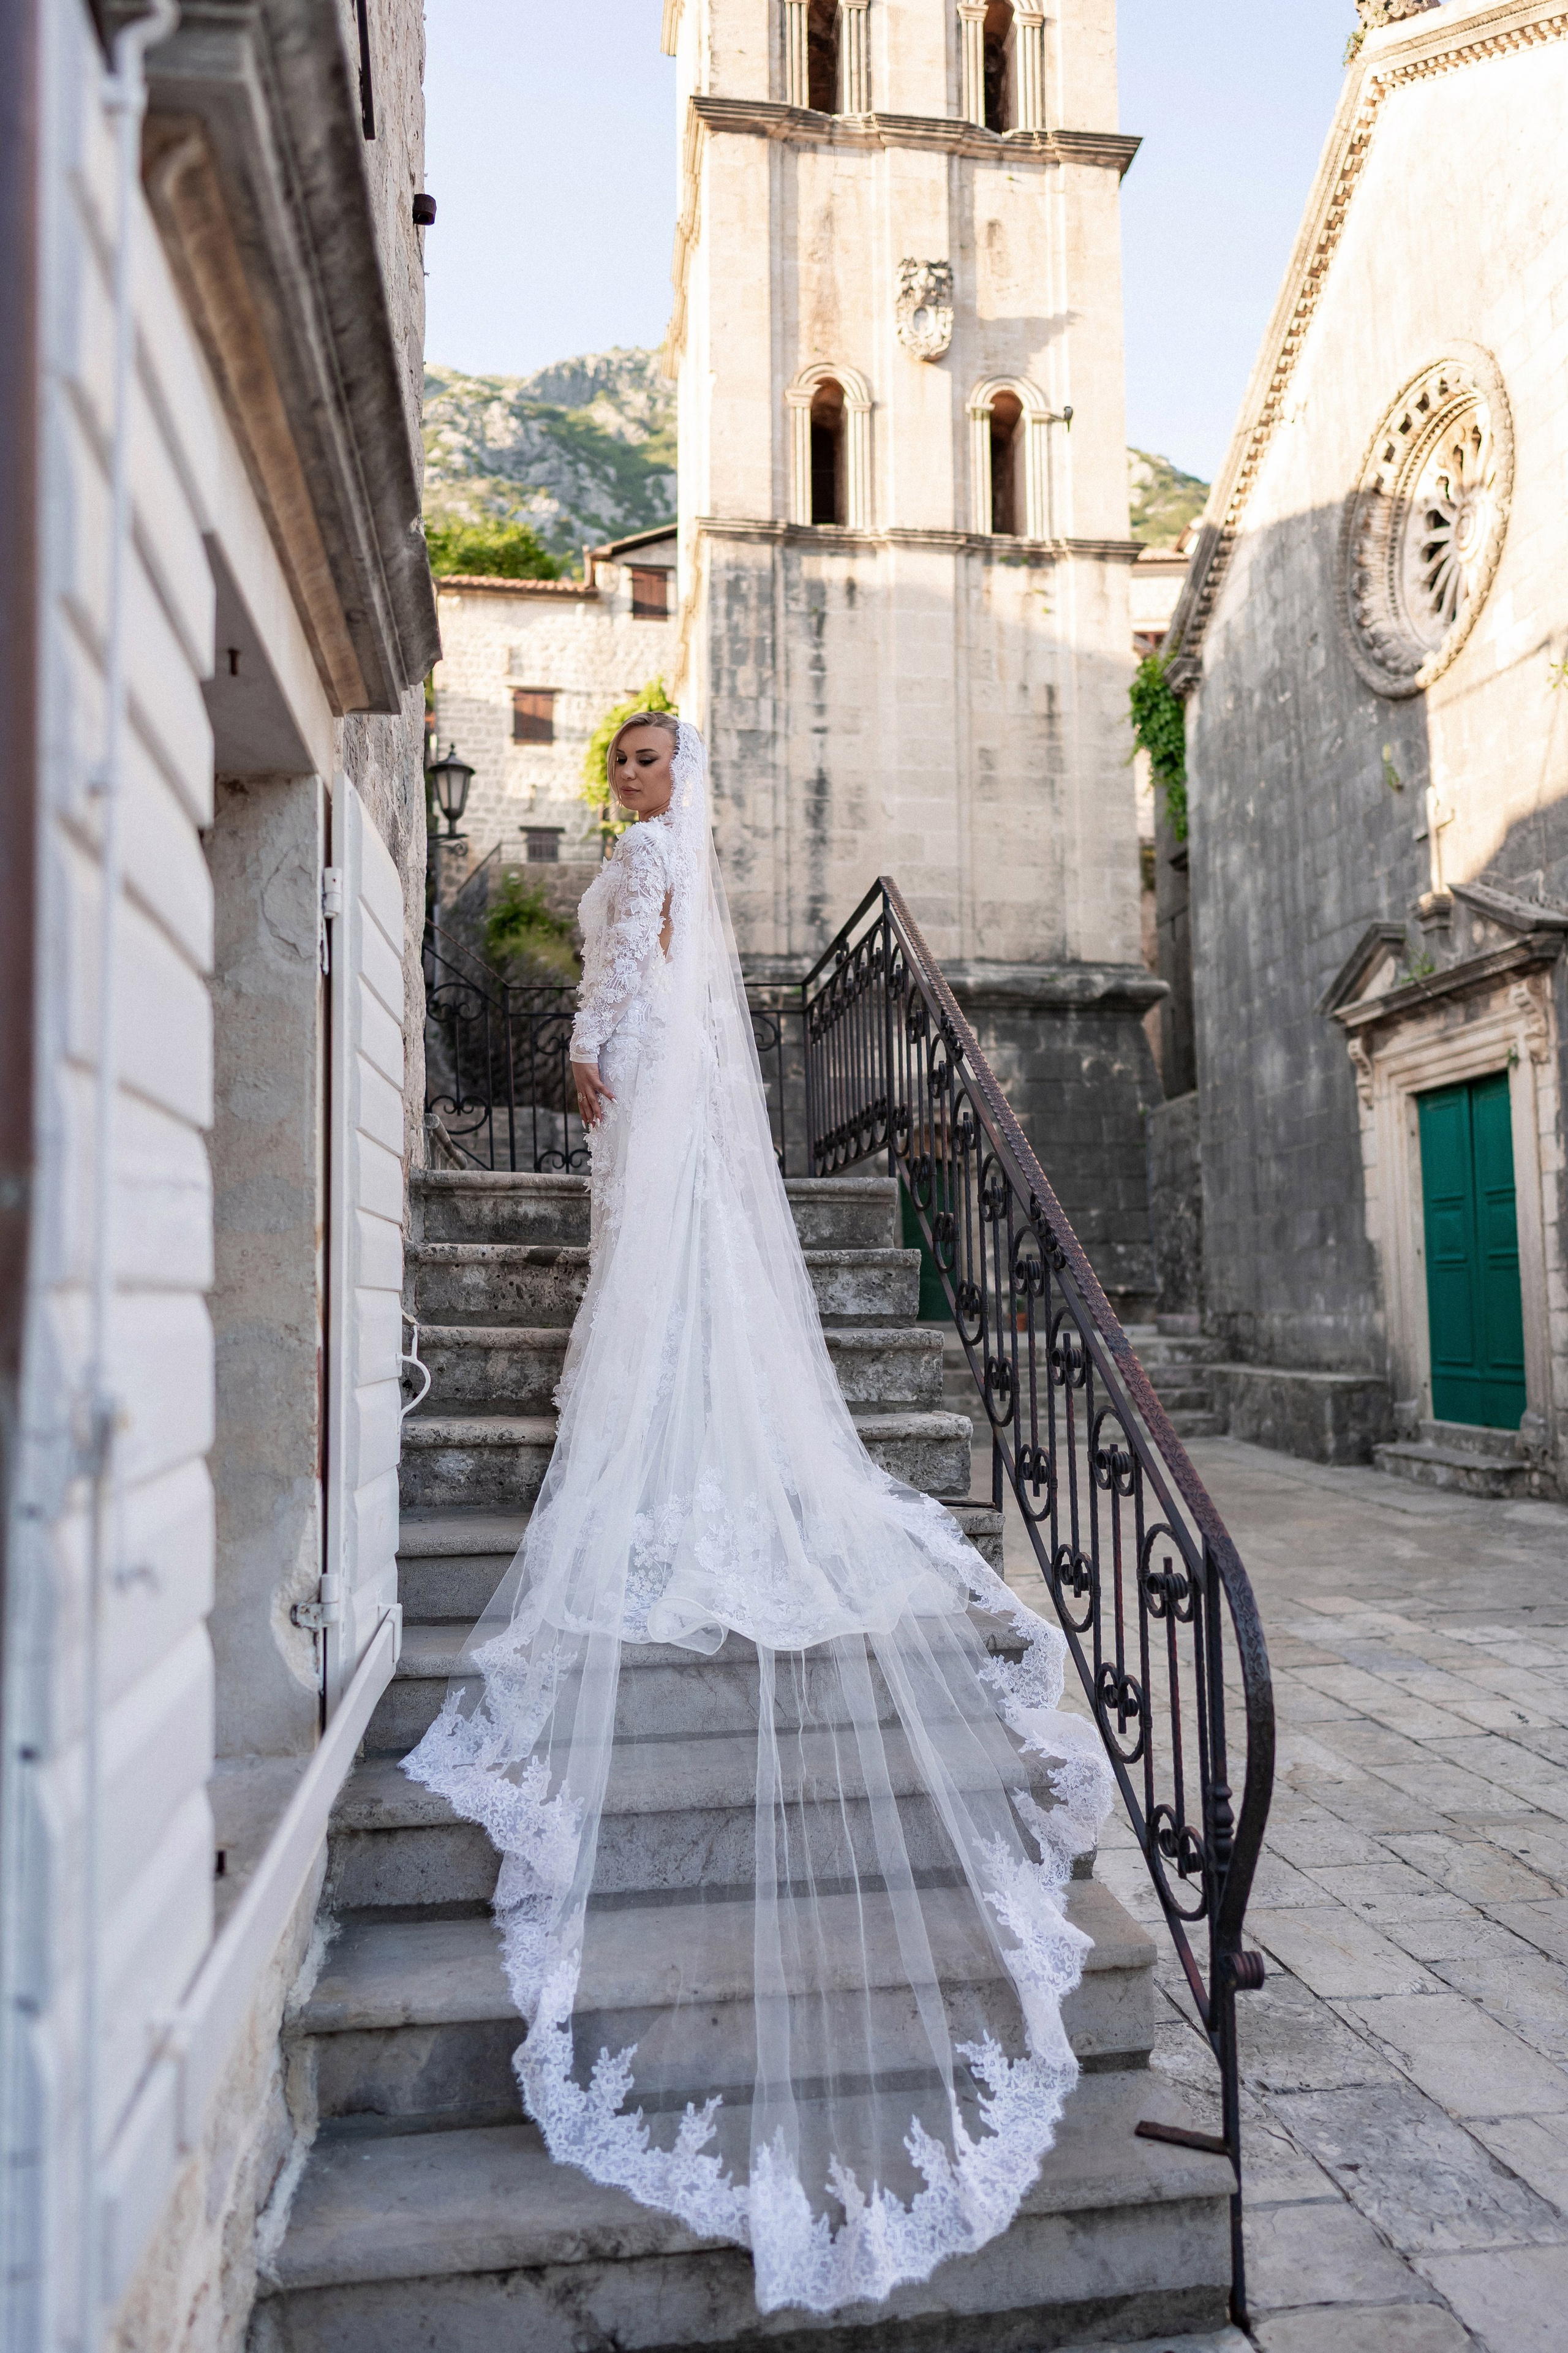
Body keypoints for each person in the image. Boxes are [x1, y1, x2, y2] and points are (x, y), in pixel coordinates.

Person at [403, 714, 1112, 2315]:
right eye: (626, 757)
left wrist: (599, 1048)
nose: (633, 775)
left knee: (663, 1269)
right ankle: (672, 1430)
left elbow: (646, 975)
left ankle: (676, 1451)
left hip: (650, 1071)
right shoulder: (649, 851)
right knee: (663, 1272)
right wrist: (612, 1048)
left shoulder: (653, 860)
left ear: (677, 782)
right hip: (657, 1080)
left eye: (652, 756)